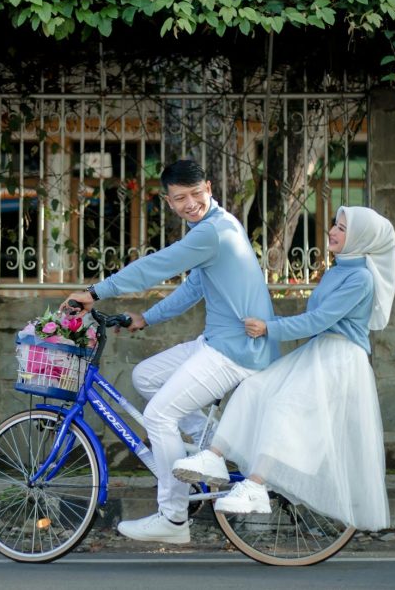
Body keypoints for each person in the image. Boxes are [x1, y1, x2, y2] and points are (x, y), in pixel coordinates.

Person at [60, 159, 278, 545]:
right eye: (180, 198)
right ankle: (215, 450)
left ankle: (174, 518)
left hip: (236, 349)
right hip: (219, 341)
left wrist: (94, 292)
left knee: (159, 414)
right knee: (145, 377)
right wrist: (147, 318)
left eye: (197, 194)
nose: (190, 203)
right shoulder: (215, 225)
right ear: (168, 200)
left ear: (209, 188)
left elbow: (154, 267)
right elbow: (195, 287)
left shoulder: (213, 231)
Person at [172, 205, 395, 531]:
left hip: (339, 361)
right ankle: (215, 455)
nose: (332, 230)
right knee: (254, 386)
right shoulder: (339, 269)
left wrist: (269, 328)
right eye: (335, 224)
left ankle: (258, 485)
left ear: (361, 238)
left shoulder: (360, 278)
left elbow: (319, 320)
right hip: (319, 352)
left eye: (343, 229)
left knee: (285, 407)